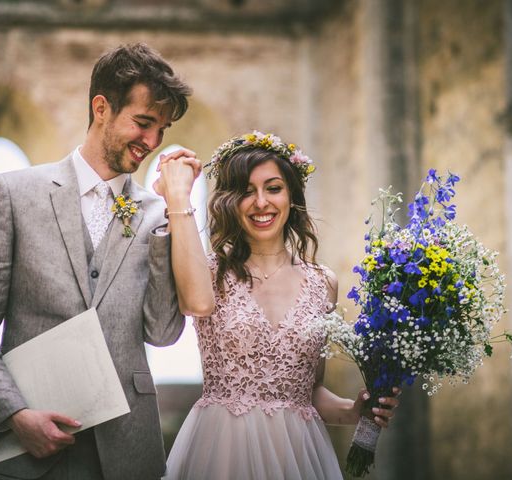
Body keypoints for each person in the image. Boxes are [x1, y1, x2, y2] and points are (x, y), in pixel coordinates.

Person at [0, 43, 204, 480]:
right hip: (24, 452)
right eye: (143, 123)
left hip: (126, 452)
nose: (153, 143)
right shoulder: (14, 194)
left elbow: (162, 332)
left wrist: (169, 218)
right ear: (101, 107)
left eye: (162, 129)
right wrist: (14, 415)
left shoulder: (159, 216)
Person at [154, 131, 400, 480]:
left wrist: (354, 410)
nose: (261, 203)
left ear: (291, 196)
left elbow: (307, 390)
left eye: (273, 188)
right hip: (222, 451)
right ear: (229, 201)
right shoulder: (208, 271)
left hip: (297, 455)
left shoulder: (323, 282)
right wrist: (177, 197)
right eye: (246, 191)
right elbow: (194, 302)